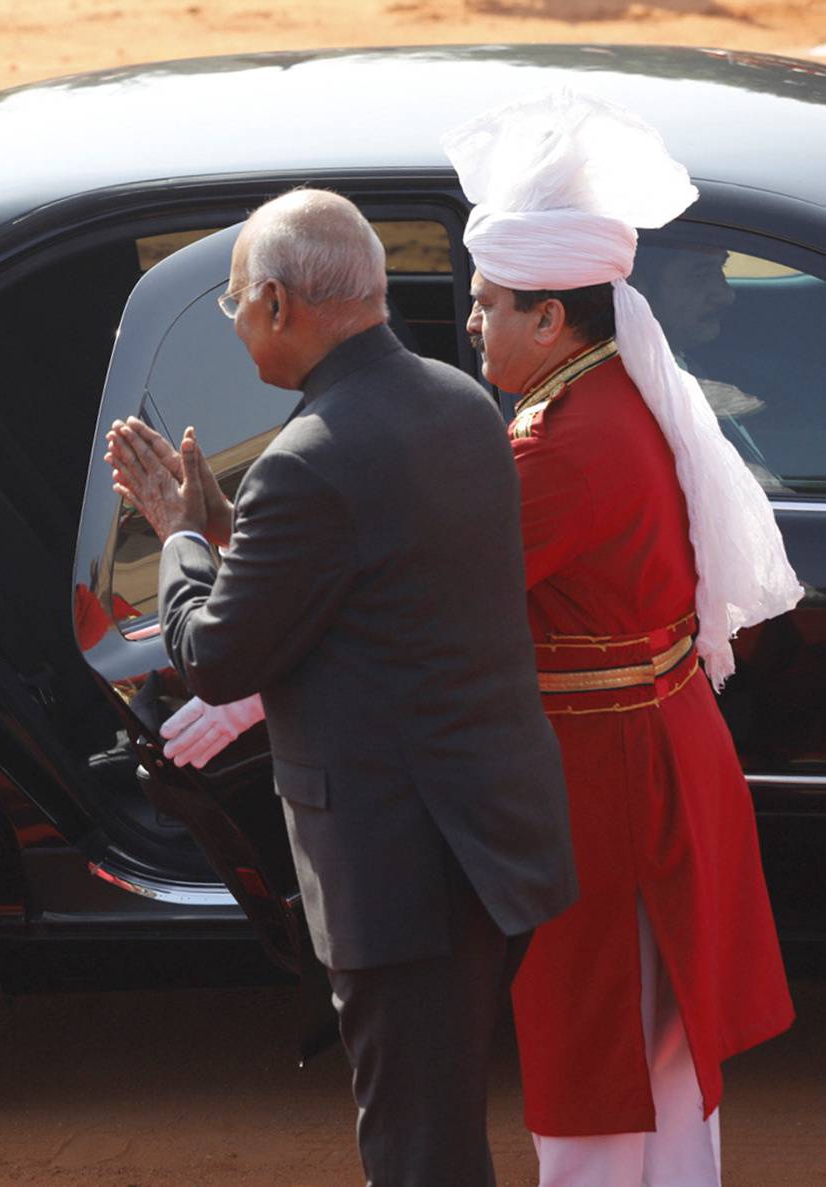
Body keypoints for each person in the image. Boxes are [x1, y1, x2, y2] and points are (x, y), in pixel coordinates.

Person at [105, 188, 577, 1187]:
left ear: (277, 302)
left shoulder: (307, 462)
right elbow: (369, 577)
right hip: (491, 839)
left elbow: (218, 658)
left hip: (398, 866)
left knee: (417, 1150)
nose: (235, 328)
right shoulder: (457, 400)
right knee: (439, 1130)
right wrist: (238, 533)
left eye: (235, 304)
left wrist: (180, 534)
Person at [445, 88, 800, 1185]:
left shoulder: (559, 443)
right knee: (652, 1041)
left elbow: (435, 603)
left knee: (601, 1038)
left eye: (485, 303)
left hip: (611, 778)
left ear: (550, 317)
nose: (469, 322)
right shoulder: (603, 396)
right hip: (646, 751)